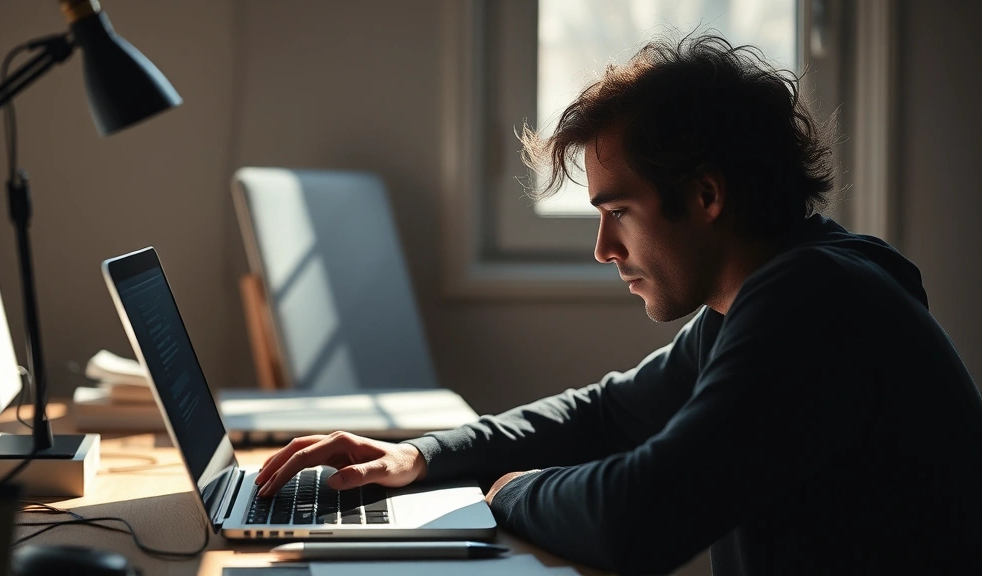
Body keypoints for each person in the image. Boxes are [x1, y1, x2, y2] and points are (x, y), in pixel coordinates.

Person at [254, 33, 982, 575]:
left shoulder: (816, 305)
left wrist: (513, 492)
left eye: (619, 211)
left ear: (704, 196)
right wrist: (417, 457)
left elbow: (641, 519)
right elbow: (604, 415)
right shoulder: (773, 290)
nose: (603, 248)